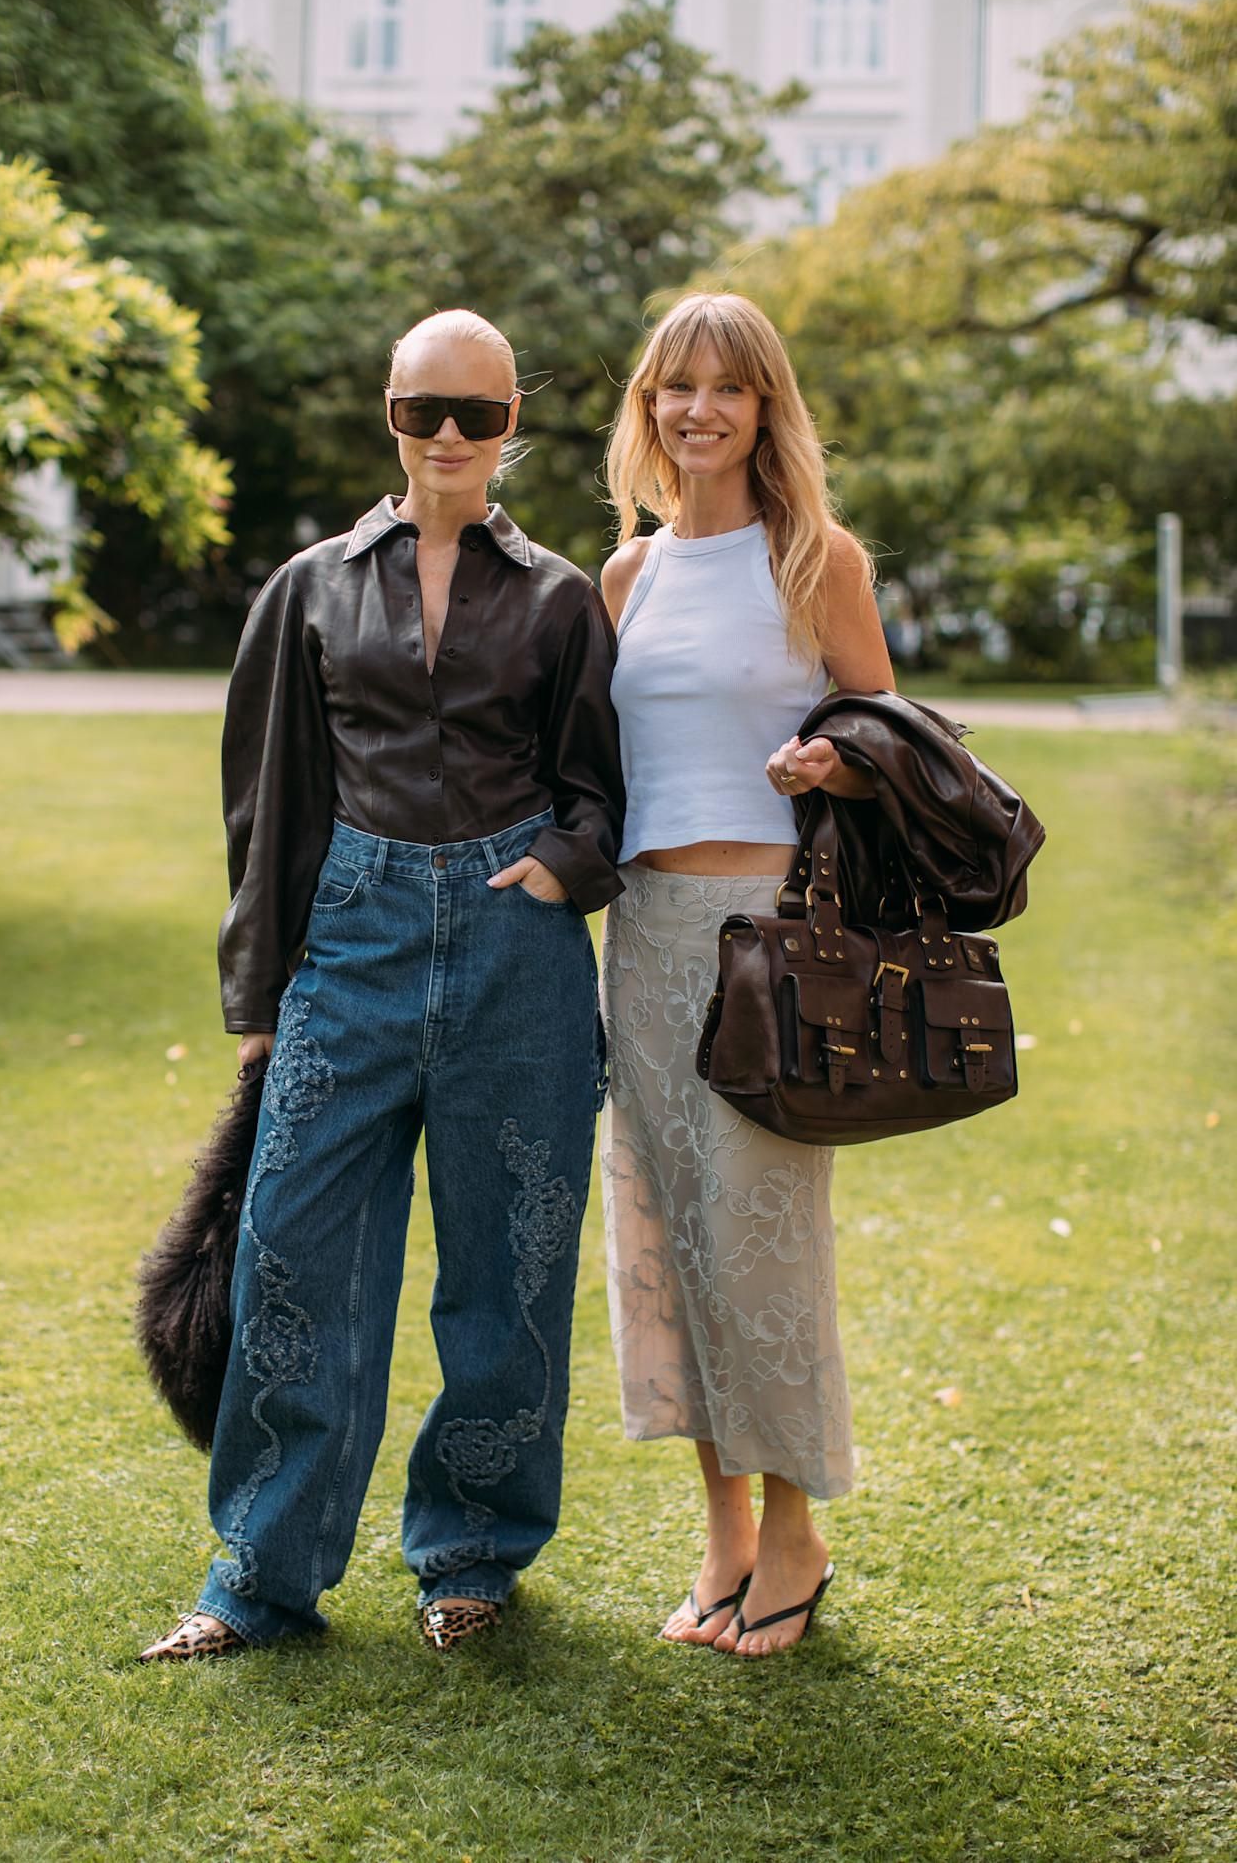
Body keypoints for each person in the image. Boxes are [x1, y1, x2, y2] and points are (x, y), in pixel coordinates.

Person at [141, 310, 624, 1660]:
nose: (452, 438)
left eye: (477, 412)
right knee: (295, 1257)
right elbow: (268, 804)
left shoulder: (561, 598)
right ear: (391, 417)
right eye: (426, 413)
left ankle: (472, 1551)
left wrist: (557, 867)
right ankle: (260, 1574)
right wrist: (258, 1002)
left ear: (513, 420)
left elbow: (601, 789)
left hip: (516, 958)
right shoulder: (306, 589)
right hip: (344, 950)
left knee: (510, 1274)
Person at [599, 291, 893, 1658]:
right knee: (665, 1238)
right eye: (677, 387)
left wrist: (836, 759)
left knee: (761, 1240)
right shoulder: (627, 578)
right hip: (645, 935)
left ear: (766, 408)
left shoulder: (815, 559)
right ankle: (719, 1531)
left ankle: (795, 1533)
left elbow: (895, 745)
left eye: (728, 387)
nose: (699, 409)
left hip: (771, 937)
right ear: (649, 407)